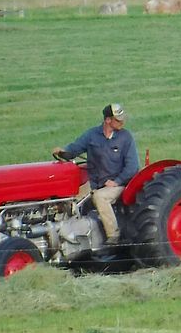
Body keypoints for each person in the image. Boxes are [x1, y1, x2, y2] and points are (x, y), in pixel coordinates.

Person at [53, 103, 139, 245]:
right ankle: (67, 234)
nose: (122, 122)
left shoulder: (126, 138)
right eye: (118, 120)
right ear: (107, 120)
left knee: (100, 197)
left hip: (120, 184)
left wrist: (117, 181)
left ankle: (114, 235)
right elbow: (75, 148)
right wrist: (63, 152)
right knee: (70, 199)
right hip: (95, 182)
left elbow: (132, 167)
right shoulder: (92, 135)